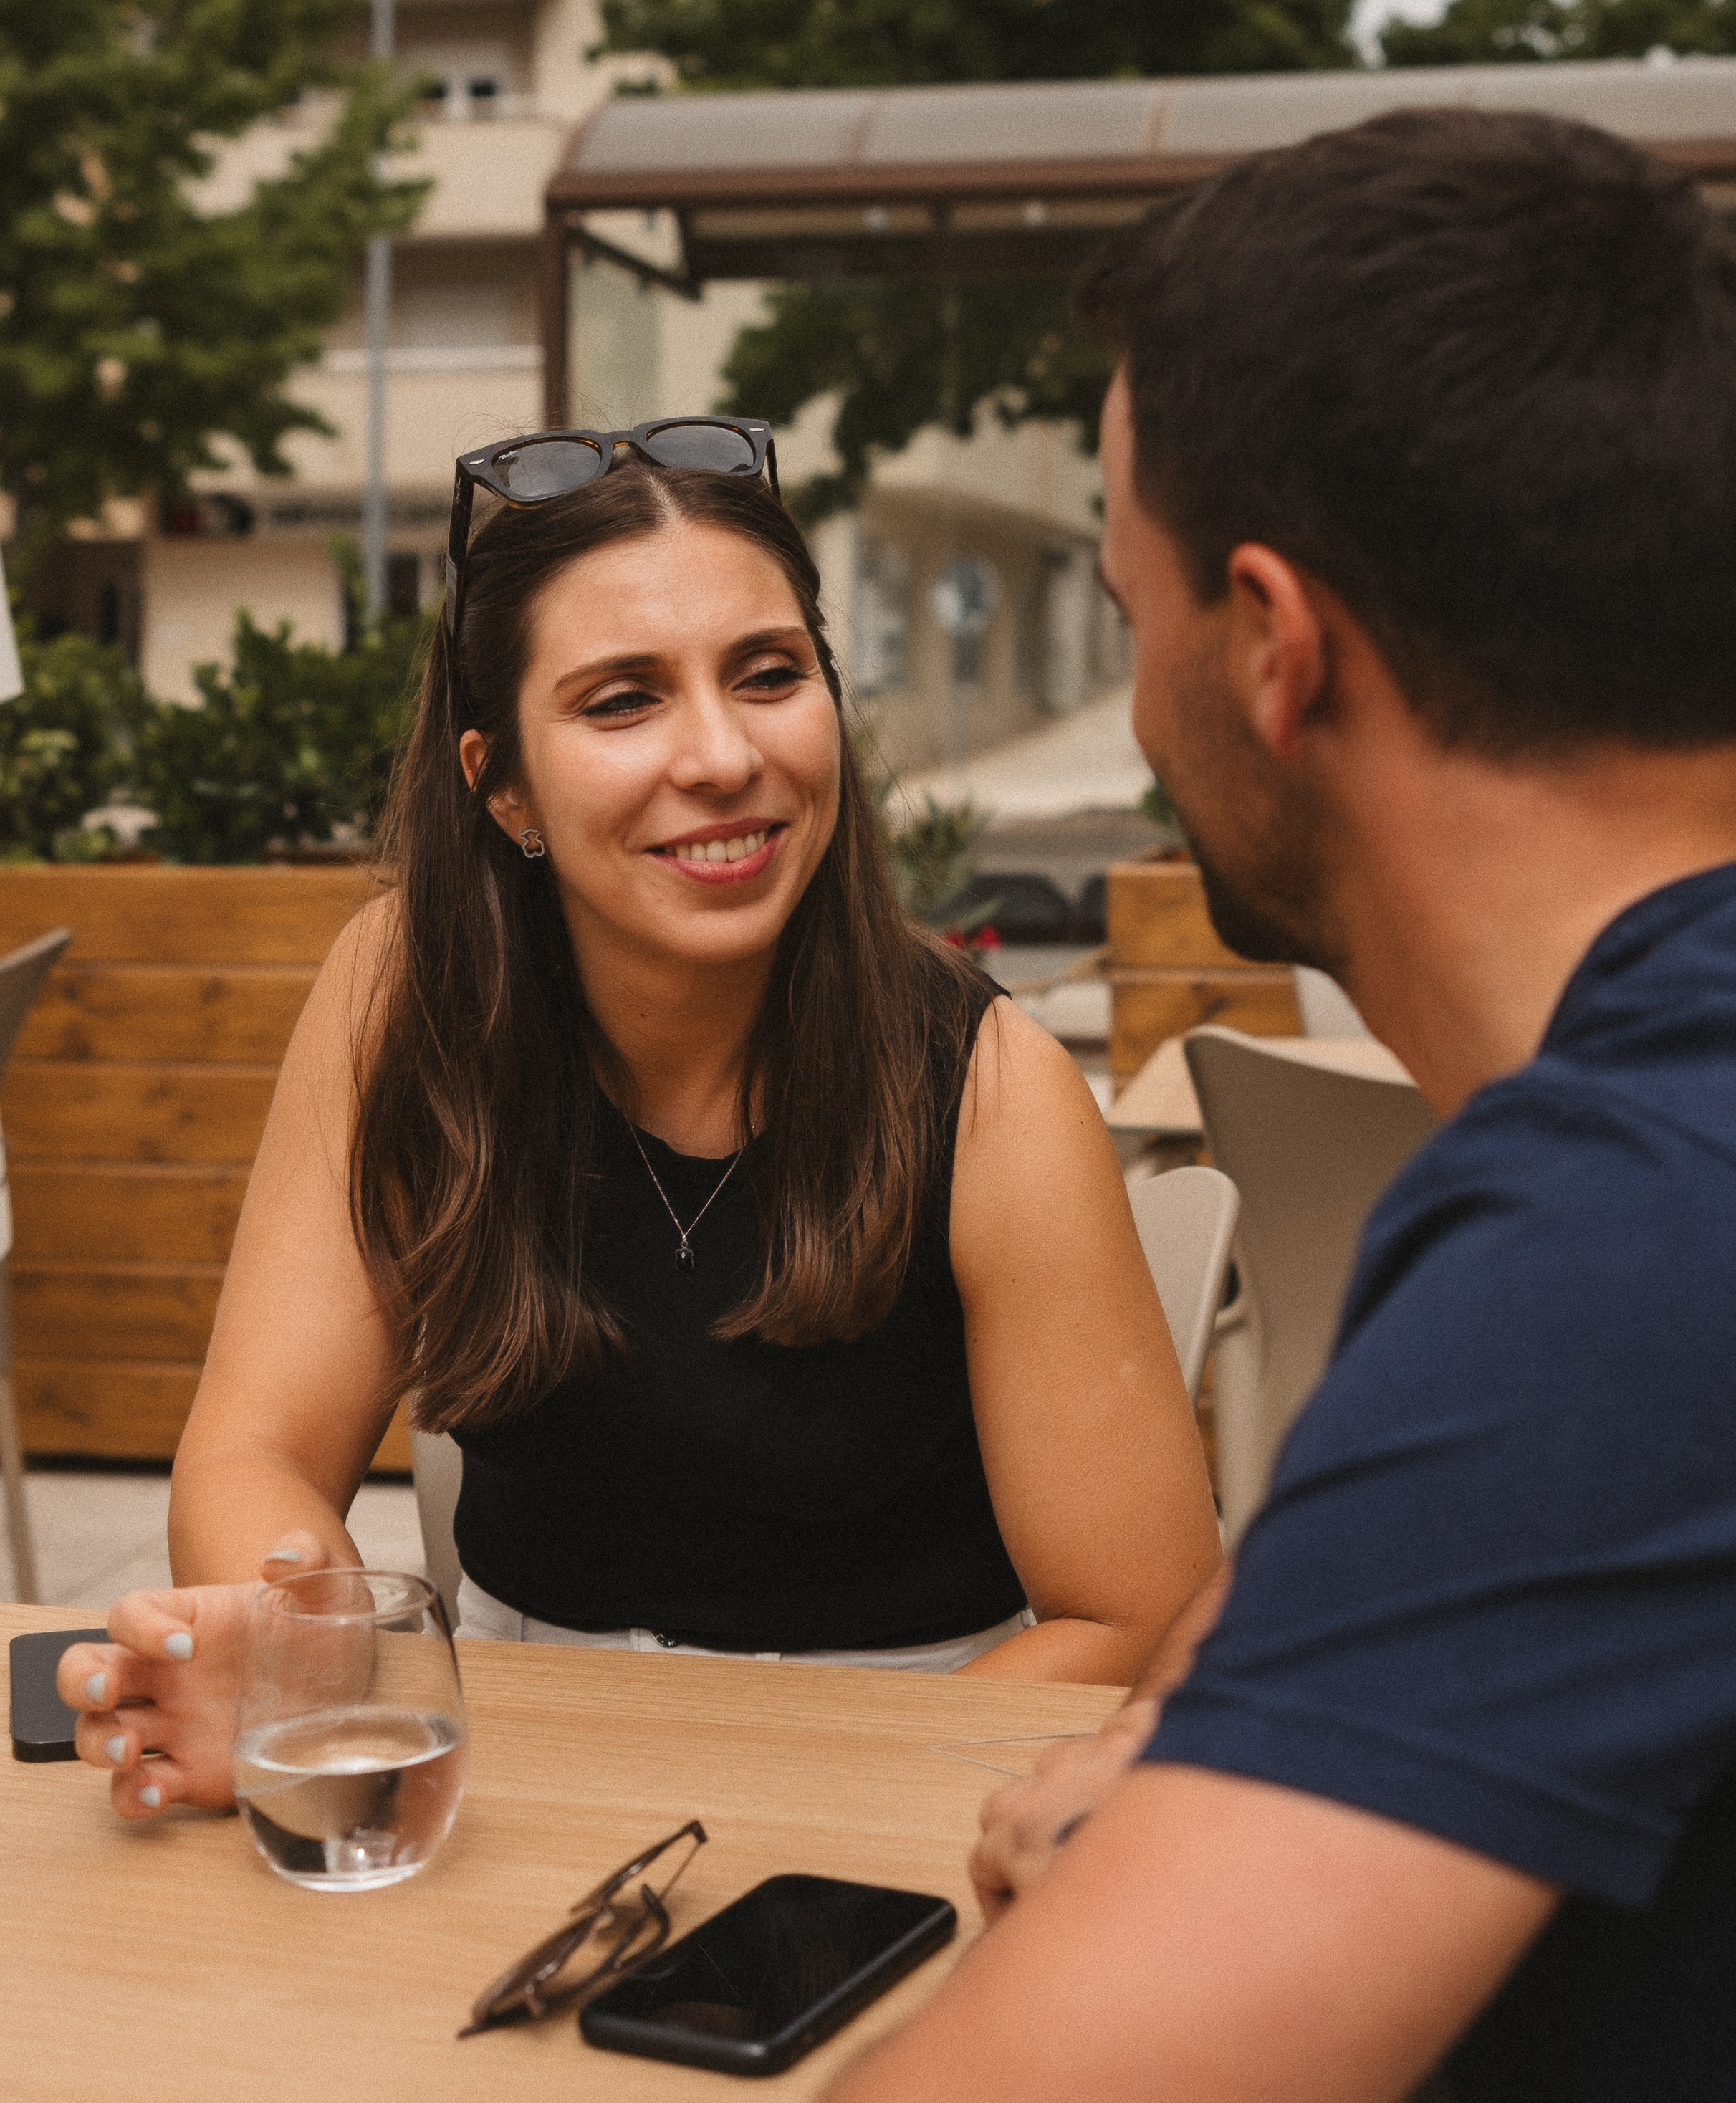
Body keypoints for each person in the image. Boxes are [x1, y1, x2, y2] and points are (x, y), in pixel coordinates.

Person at [827, 109, 1736, 2102]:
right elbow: (1256, 1647)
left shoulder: (1632, 1226)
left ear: (1273, 643)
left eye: (1131, 608)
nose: (1137, 696)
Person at [59, 422, 1220, 1817]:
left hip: (904, 1777)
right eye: (624, 701)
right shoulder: (400, 996)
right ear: (502, 786)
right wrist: (302, 1652)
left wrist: (734, 1796)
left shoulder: (990, 1086)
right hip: (514, 1762)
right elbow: (255, 1452)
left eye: (770, 675)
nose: (725, 755)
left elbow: (1136, 1621)